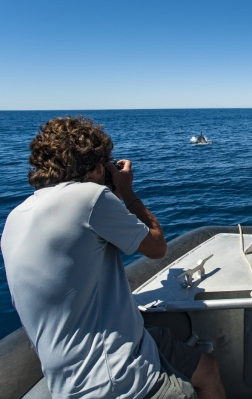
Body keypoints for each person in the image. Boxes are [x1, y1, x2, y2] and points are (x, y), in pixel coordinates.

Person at [1, 116, 226, 399]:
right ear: (96, 167)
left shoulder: (16, 216)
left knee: (207, 368)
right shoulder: (90, 198)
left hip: (74, 374)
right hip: (116, 379)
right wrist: (127, 191)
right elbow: (156, 247)